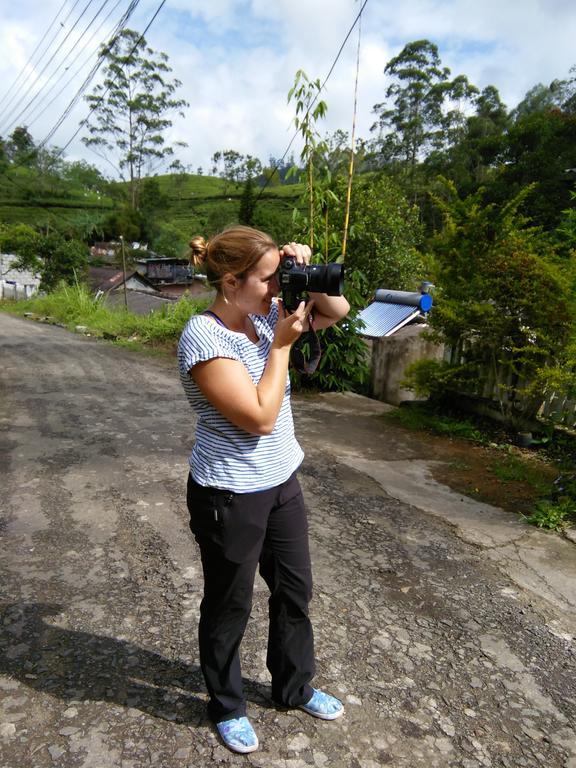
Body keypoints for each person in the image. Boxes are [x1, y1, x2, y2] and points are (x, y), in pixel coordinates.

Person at [177, 225, 350, 754]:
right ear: (231, 281)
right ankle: (226, 703)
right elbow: (258, 418)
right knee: (230, 605)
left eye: (282, 275)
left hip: (281, 482)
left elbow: (337, 311)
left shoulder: (263, 312)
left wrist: (307, 273)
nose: (280, 288)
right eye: (271, 278)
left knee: (295, 592)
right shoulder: (204, 338)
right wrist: (279, 348)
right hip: (229, 493)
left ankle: (293, 688)